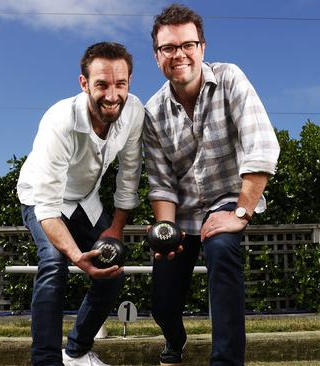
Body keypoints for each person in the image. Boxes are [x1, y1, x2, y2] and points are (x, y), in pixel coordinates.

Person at [143, 4, 281, 366]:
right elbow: (161, 181)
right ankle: (176, 340)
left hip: (226, 200)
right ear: (157, 56)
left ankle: (226, 361)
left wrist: (241, 212)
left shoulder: (230, 78)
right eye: (168, 48)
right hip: (183, 213)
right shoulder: (152, 112)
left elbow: (262, 145)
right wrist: (166, 230)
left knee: (222, 251)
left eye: (187, 44)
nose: (179, 54)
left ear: (202, 47)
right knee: (163, 303)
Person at [17, 42, 144, 366]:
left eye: (121, 84)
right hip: (43, 197)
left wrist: (114, 230)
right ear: (84, 83)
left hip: (86, 199)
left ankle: (76, 351)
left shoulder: (133, 112)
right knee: (53, 264)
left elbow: (128, 177)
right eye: (102, 84)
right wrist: (75, 255)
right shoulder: (59, 121)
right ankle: (45, 361)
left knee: (112, 271)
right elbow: (47, 206)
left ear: (129, 81)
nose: (112, 95)